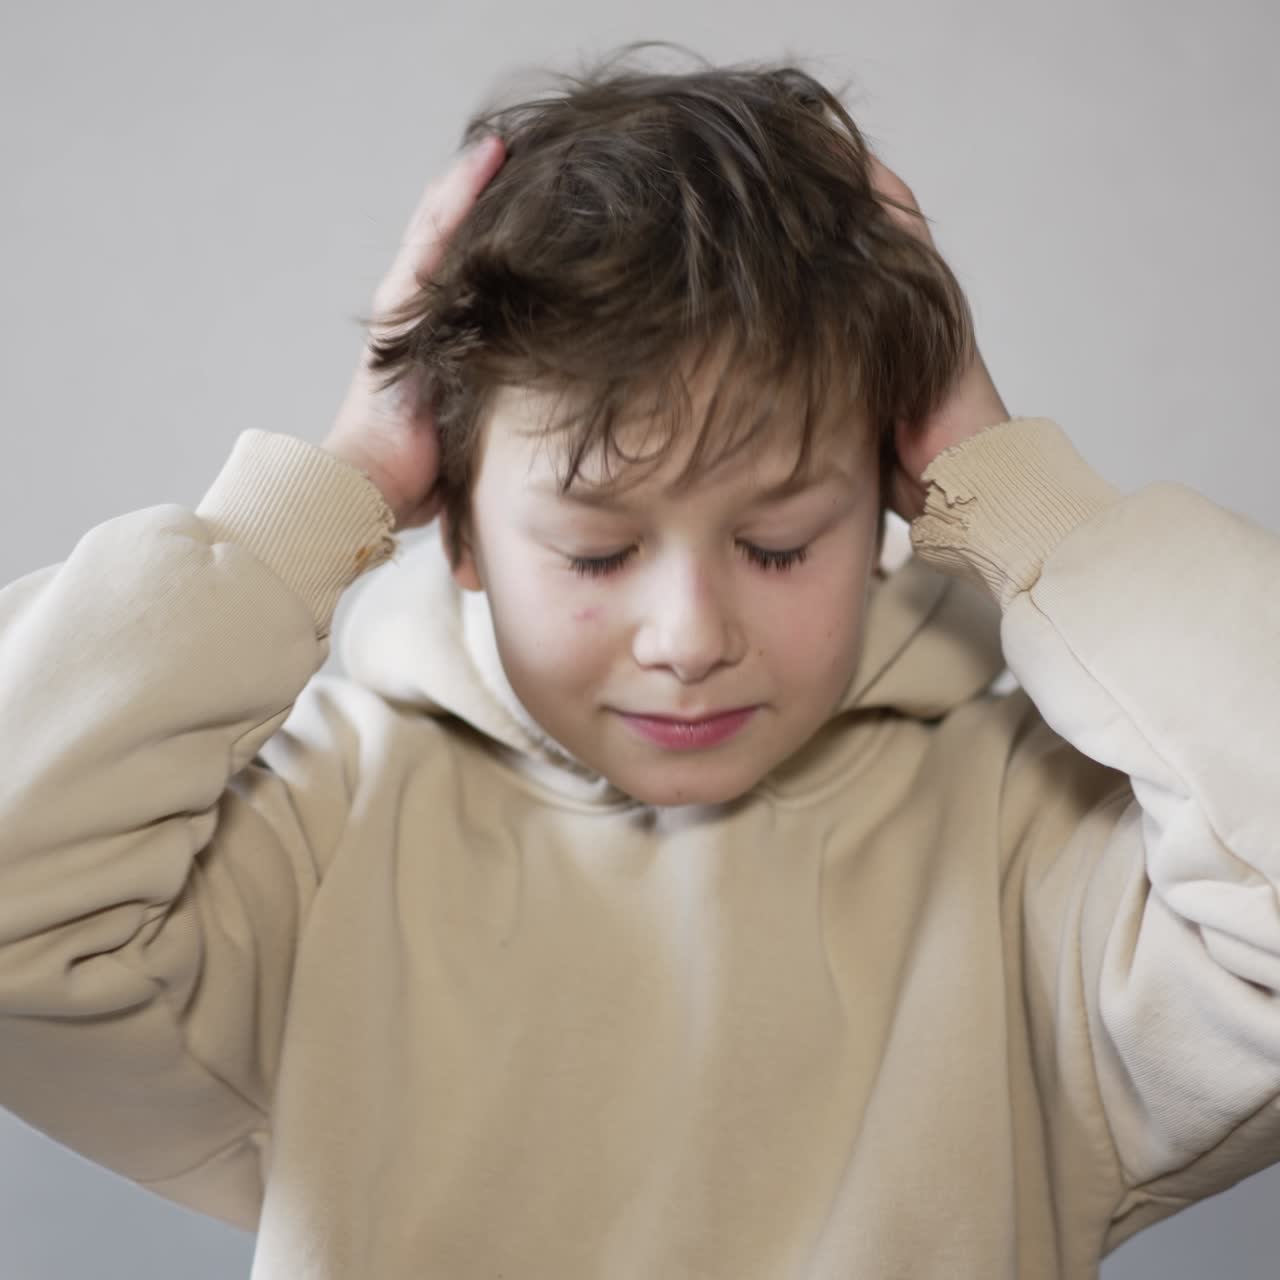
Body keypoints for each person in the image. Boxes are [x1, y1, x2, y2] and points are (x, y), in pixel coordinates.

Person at [1, 47, 1277, 1280]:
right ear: (454, 528)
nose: (687, 636)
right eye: (598, 552)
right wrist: (326, 496)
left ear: (893, 499)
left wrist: (1015, 499)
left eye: (776, 545)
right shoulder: (325, 832)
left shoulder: (1032, 854)